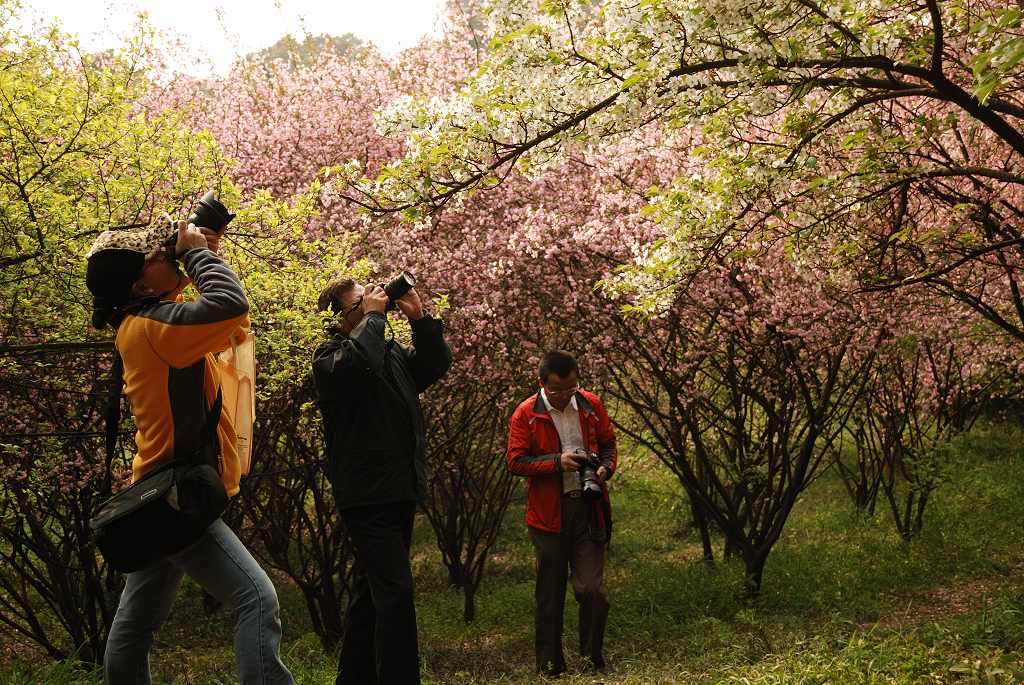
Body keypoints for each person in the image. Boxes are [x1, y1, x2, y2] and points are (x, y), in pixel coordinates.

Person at [85, 218, 294, 685]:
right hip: (176, 496)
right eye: (155, 257)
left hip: (156, 491)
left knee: (136, 624)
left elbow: (199, 311)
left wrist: (203, 248)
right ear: (140, 283)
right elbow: (227, 306)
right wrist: (199, 256)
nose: (166, 255)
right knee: (256, 599)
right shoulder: (154, 329)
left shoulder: (141, 322)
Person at [312, 277, 451, 685]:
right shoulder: (330, 358)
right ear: (341, 318)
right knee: (395, 594)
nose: (375, 303)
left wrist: (420, 321)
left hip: (398, 487)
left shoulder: (386, 353)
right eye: (361, 302)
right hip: (366, 494)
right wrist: (372, 318)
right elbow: (358, 366)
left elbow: (433, 365)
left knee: (371, 595)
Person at [506, 350, 618, 676]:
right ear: (542, 383)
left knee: (591, 589)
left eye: (572, 388)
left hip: (589, 507)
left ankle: (591, 659)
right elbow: (516, 462)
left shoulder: (589, 404)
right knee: (550, 594)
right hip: (547, 515)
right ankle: (550, 666)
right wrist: (557, 462)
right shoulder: (525, 414)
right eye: (558, 390)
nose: (566, 395)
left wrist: (606, 469)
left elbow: (609, 444)